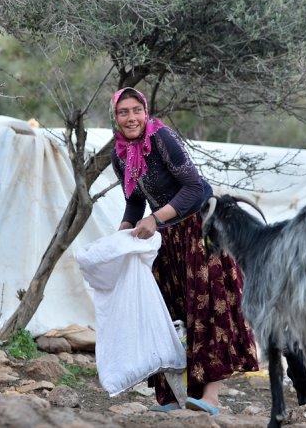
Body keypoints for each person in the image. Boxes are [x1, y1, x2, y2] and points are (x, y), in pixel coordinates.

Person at [110, 87, 258, 415]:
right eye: (124, 112)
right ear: (116, 117)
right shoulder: (119, 153)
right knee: (167, 312)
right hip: (166, 238)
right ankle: (172, 397)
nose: (131, 117)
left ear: (145, 112)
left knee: (208, 309)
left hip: (200, 230)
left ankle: (211, 398)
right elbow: (134, 200)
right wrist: (122, 231)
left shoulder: (162, 139)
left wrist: (155, 217)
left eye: (136, 110)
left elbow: (196, 188)